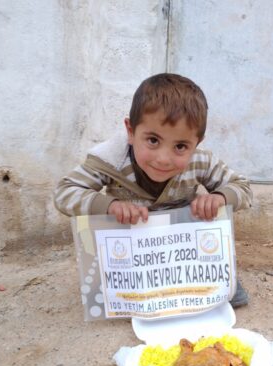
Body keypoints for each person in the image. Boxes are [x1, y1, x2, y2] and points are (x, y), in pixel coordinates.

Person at [54, 73, 252, 307]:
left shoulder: (200, 162)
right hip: (134, 249)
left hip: (182, 251)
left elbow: (243, 188)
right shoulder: (110, 161)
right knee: (115, 300)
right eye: (153, 141)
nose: (164, 159)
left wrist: (219, 197)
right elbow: (64, 192)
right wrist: (108, 206)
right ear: (130, 130)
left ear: (197, 142)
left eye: (180, 146)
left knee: (229, 296)